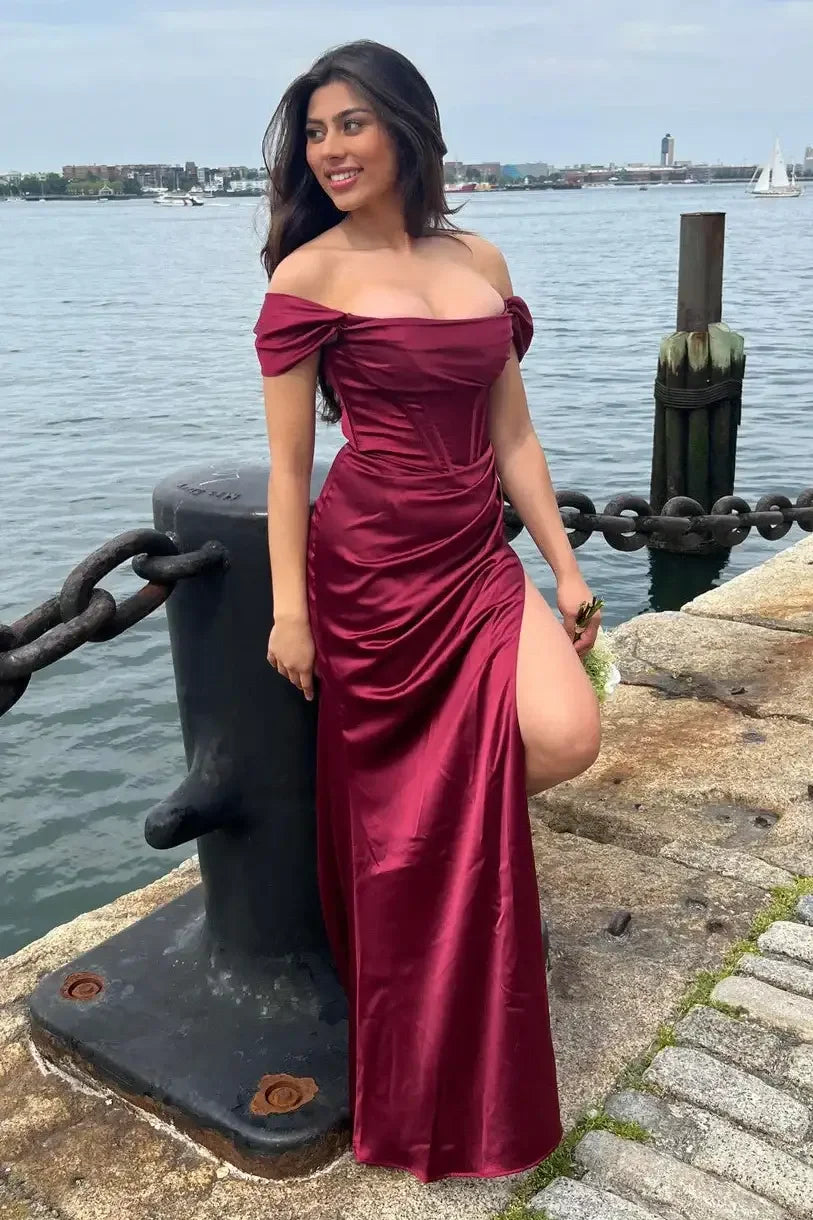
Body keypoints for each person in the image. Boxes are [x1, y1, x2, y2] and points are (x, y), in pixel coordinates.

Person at [253, 39, 602, 1185]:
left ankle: (455, 876)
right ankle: (437, 955)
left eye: (350, 124)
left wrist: (565, 568)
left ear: (407, 127)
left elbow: (515, 435)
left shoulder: (479, 258)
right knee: (408, 806)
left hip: (474, 555)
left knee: (568, 732)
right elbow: (288, 470)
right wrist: (291, 611)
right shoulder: (306, 276)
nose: (330, 149)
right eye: (315, 132)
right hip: (370, 572)